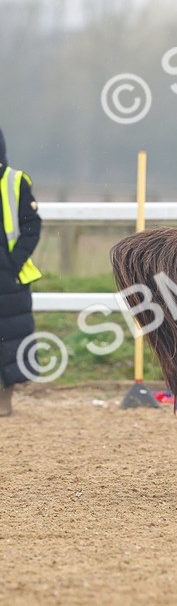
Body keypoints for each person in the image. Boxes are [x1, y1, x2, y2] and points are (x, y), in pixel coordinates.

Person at [0, 127, 43, 416]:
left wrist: (14, 262)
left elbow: (31, 225)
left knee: (11, 337)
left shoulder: (16, 181)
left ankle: (5, 401)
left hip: (9, 275)